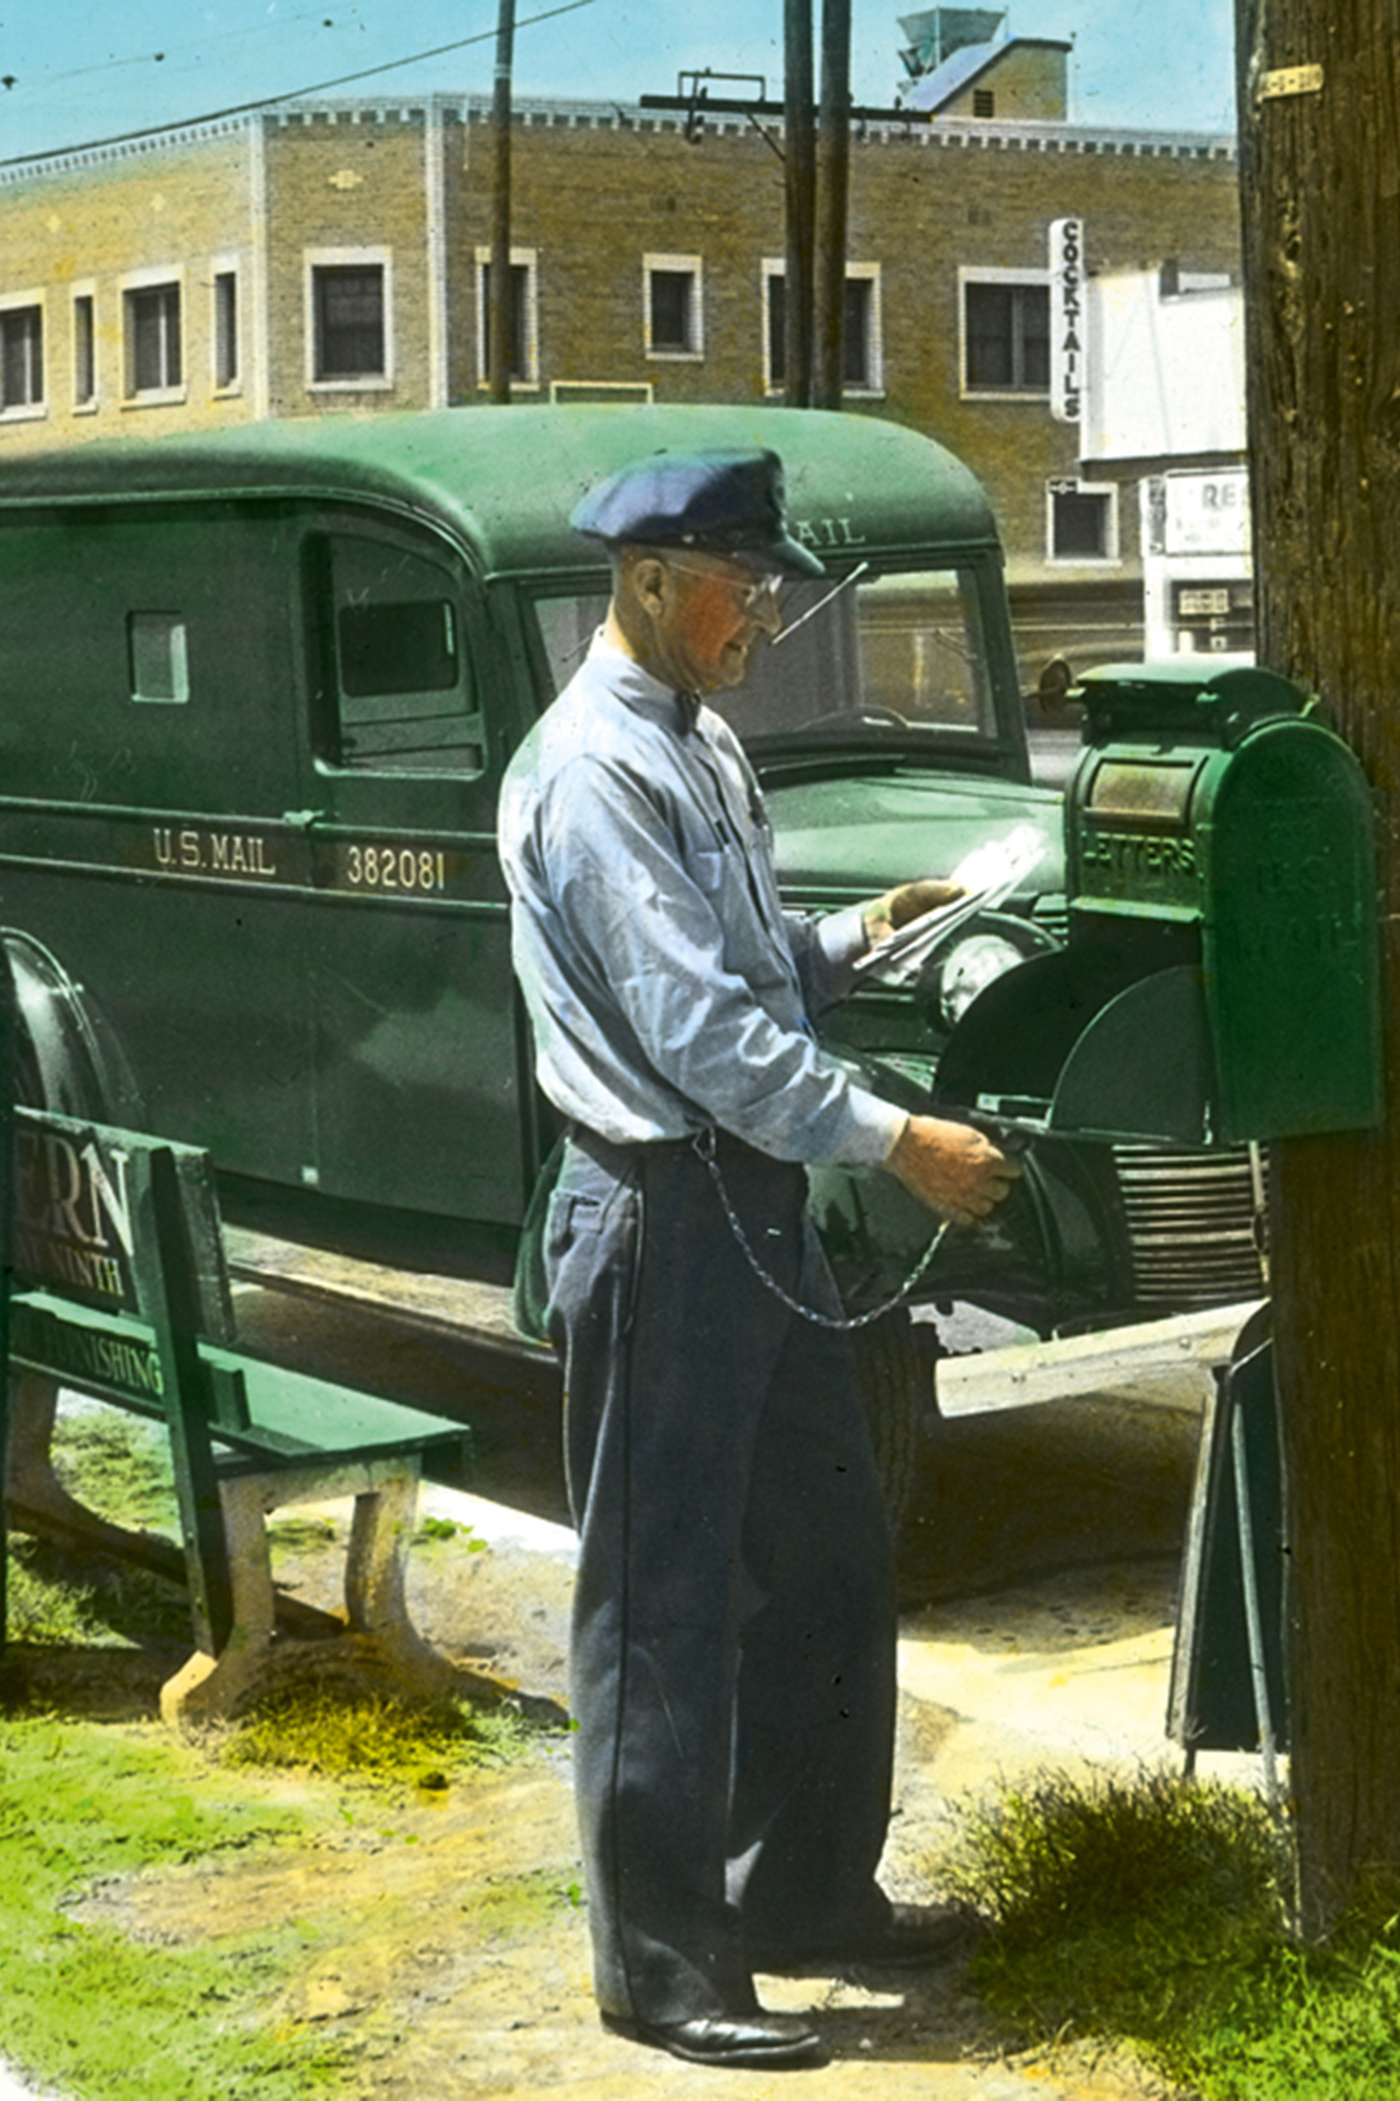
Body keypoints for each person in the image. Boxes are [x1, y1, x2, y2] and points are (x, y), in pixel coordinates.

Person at [496, 449, 1019, 2072]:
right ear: (651, 578)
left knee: (830, 1548)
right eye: (745, 581)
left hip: (741, 1210)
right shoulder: (592, 768)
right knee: (659, 1606)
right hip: (661, 1211)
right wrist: (897, 1140)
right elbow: (701, 1033)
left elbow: (758, 966)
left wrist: (876, 930)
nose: (767, 615)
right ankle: (660, 1968)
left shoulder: (698, 745)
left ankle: (799, 1892)